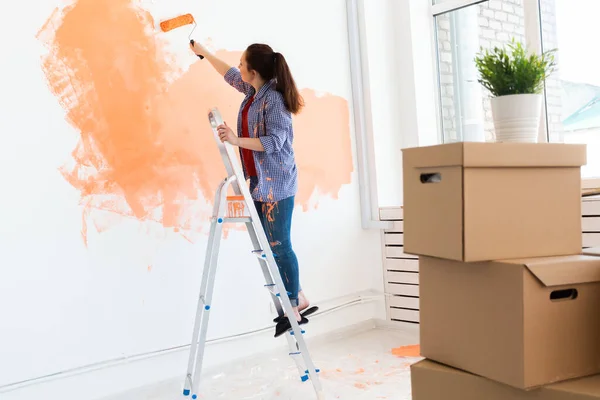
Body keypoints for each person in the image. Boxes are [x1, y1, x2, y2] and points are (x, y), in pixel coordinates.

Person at [190, 41, 318, 337]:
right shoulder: (253, 92)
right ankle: (299, 297)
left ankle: (295, 304)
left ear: (255, 70)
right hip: (260, 182)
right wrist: (205, 53)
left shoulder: (273, 101)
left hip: (278, 184)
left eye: (243, 62)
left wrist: (235, 141)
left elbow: (274, 143)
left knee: (279, 245)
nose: (239, 66)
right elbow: (229, 74)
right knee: (269, 244)